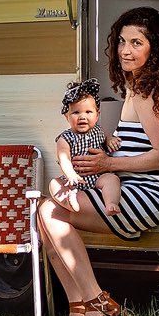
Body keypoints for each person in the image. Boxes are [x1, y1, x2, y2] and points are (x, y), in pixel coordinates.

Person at [37, 6, 159, 316]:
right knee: (46, 210)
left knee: (50, 212)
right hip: (135, 185)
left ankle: (94, 304)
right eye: (121, 41)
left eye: (136, 43)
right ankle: (82, 310)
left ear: (155, 49)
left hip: (154, 192)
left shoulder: (147, 93)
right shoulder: (138, 86)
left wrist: (107, 164)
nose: (125, 50)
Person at [51, 78, 122, 216]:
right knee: (55, 183)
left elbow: (105, 135)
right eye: (76, 113)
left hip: (98, 176)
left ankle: (111, 203)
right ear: (67, 117)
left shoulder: (98, 130)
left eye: (88, 112)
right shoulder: (65, 138)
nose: (82, 117)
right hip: (75, 178)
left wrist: (110, 139)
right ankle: (69, 201)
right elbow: (63, 157)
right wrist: (70, 174)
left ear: (97, 115)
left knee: (112, 180)